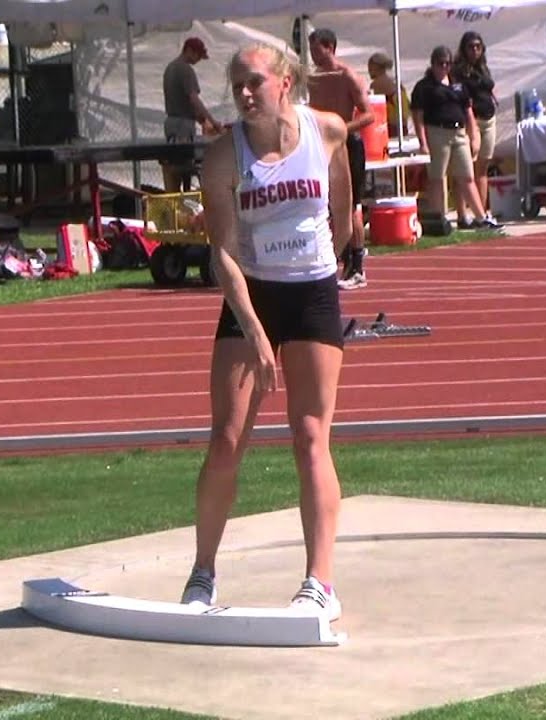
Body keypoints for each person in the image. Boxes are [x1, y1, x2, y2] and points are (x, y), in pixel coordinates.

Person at [180, 41, 354, 622]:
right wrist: (255, 332)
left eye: (254, 81)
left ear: (285, 80)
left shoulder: (326, 131)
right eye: (236, 85)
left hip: (311, 291)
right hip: (251, 292)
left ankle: (319, 583)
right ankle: (203, 571)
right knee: (227, 438)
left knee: (310, 437)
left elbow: (343, 206)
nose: (244, 93)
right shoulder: (223, 156)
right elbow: (222, 255)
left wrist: (334, 255)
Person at [306, 28, 373, 291]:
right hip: (322, 146)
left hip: (346, 144)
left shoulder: (347, 76)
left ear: (330, 47)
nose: (313, 55)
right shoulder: (313, 77)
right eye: (310, 50)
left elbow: (368, 114)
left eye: (317, 50)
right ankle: (338, 259)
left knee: (351, 204)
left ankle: (357, 266)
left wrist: (342, 128)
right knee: (328, 204)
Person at [410, 46, 502, 232]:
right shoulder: (424, 86)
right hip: (437, 132)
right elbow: (418, 116)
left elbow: (468, 111)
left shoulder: (458, 84)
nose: (444, 67)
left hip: (459, 132)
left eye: (447, 63)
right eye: (440, 64)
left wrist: (473, 134)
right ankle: (439, 219)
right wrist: (423, 142)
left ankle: (481, 217)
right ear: (433, 64)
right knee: (437, 178)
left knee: (467, 176)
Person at [452, 31, 501, 225]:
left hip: (488, 120)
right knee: (465, 170)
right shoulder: (458, 72)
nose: (474, 50)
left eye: (478, 46)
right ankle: (462, 214)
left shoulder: (483, 68)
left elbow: (488, 87)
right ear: (464, 49)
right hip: (471, 121)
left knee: (483, 167)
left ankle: (482, 212)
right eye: (471, 47)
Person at [162, 37, 222, 192]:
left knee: (175, 167)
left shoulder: (170, 68)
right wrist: (212, 121)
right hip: (183, 125)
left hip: (171, 123)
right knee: (186, 166)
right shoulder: (185, 70)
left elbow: (179, 100)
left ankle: (176, 195)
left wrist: (199, 117)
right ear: (189, 50)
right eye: (198, 55)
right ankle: (187, 196)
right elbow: (193, 98)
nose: (198, 60)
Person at [367, 52, 411, 139]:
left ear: (376, 67)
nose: (369, 70)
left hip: (391, 126)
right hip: (402, 124)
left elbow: (373, 107)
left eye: (370, 67)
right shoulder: (395, 80)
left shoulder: (377, 84)